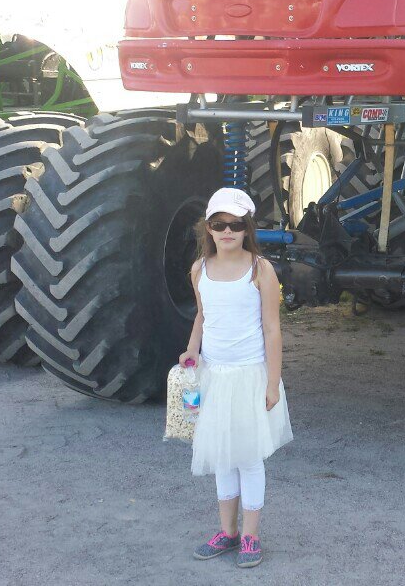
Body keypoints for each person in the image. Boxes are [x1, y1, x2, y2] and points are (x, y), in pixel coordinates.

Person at [179, 187, 292, 569]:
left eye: (236, 224)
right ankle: (227, 531)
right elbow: (203, 315)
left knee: (247, 456)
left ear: (247, 229)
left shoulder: (261, 270)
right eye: (219, 224)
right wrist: (192, 349)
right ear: (208, 228)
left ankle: (250, 535)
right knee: (222, 456)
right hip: (214, 377)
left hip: (249, 377)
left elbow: (272, 328)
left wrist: (272, 382)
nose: (227, 231)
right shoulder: (199, 270)